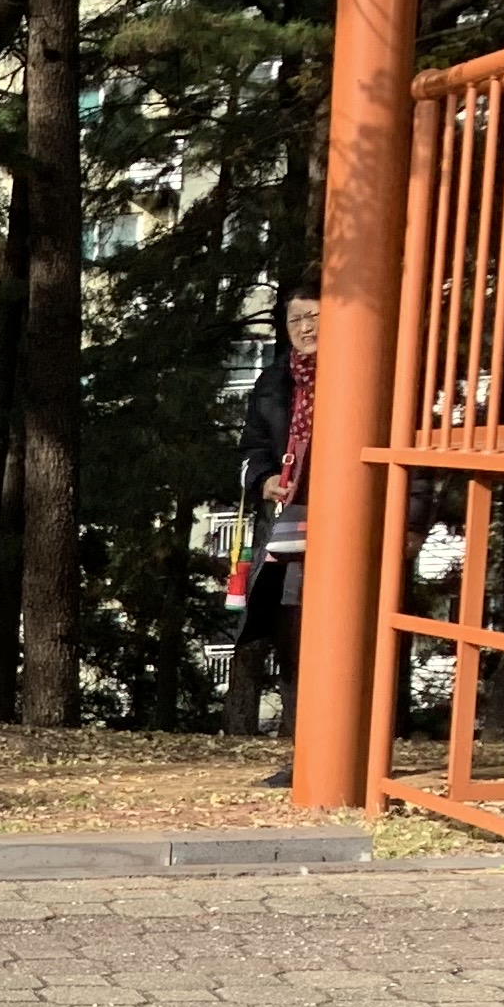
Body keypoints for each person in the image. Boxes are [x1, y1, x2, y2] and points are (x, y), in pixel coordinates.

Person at [225, 290, 320, 735]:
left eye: (314, 316)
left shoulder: (364, 375)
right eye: (295, 319)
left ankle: (343, 749)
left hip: (342, 518)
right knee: (291, 634)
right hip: (286, 524)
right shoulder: (274, 381)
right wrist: (263, 478)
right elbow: (252, 446)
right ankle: (302, 746)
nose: (305, 328)